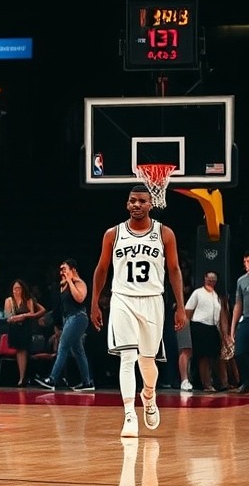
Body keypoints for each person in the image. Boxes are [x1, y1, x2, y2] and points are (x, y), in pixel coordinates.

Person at [90, 185, 186, 438]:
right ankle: (129, 414)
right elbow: (101, 269)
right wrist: (95, 302)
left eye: (142, 201)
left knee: (147, 361)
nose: (136, 205)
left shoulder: (164, 233)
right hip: (123, 299)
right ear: (127, 204)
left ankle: (149, 395)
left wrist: (180, 307)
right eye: (132, 200)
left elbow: (174, 270)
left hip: (153, 299)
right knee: (127, 357)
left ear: (151, 204)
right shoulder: (113, 234)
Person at [35, 259, 95, 392]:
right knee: (78, 351)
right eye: (61, 269)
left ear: (73, 270)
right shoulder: (63, 285)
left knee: (63, 346)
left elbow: (80, 298)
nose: (62, 272)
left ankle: (52, 379)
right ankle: (87, 382)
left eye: (64, 269)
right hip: (68, 319)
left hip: (78, 317)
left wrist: (70, 281)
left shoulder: (79, 283)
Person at [4, 279, 46, 387]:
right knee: (19, 351)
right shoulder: (9, 301)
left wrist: (23, 316)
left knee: (24, 351)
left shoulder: (28, 300)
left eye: (18, 288)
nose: (16, 291)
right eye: (14, 289)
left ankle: (23, 377)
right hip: (14, 329)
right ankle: (21, 377)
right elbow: (8, 317)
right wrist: (19, 317)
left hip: (26, 328)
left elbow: (32, 313)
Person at [230, 252, 249, 393]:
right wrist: (232, 329)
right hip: (246, 318)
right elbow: (238, 304)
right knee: (239, 352)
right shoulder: (241, 280)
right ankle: (245, 381)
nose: (246, 264)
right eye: (245, 262)